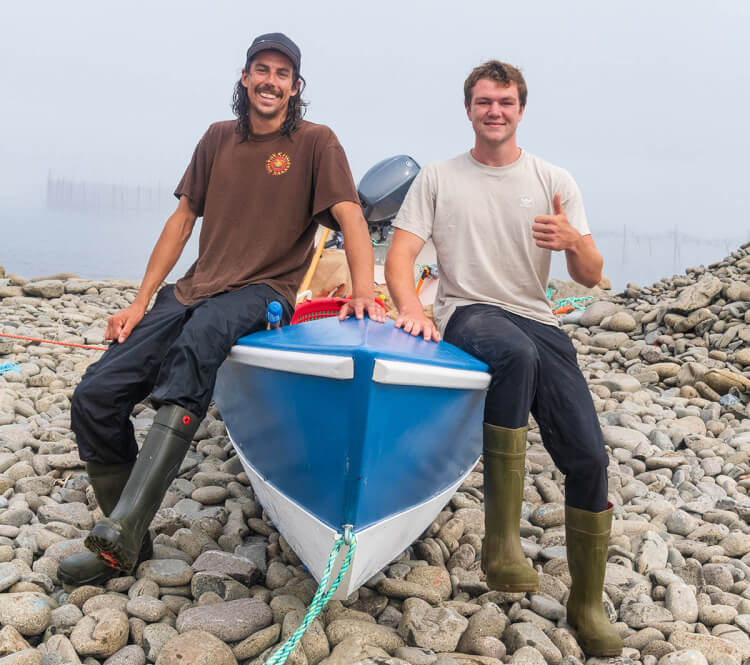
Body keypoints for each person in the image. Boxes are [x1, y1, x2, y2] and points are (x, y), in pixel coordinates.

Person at [60, 32, 384, 585]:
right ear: (244, 76)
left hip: (262, 290)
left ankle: (125, 530)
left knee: (199, 343)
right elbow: (182, 222)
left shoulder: (315, 142)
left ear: (296, 86)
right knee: (95, 395)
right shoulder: (216, 139)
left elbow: (351, 217)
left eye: (283, 74)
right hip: (193, 287)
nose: (271, 81)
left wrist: (363, 290)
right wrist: (140, 302)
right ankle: (126, 538)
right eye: (262, 69)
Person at [385, 61, 621, 657]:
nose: (496, 111)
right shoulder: (439, 177)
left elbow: (590, 277)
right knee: (512, 354)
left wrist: (575, 244)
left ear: (521, 109)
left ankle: (587, 604)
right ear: (469, 109)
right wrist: (413, 308)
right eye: (485, 102)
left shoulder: (552, 179)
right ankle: (501, 541)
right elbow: (402, 255)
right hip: (470, 310)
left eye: (506, 102)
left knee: (590, 458)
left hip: (538, 318)